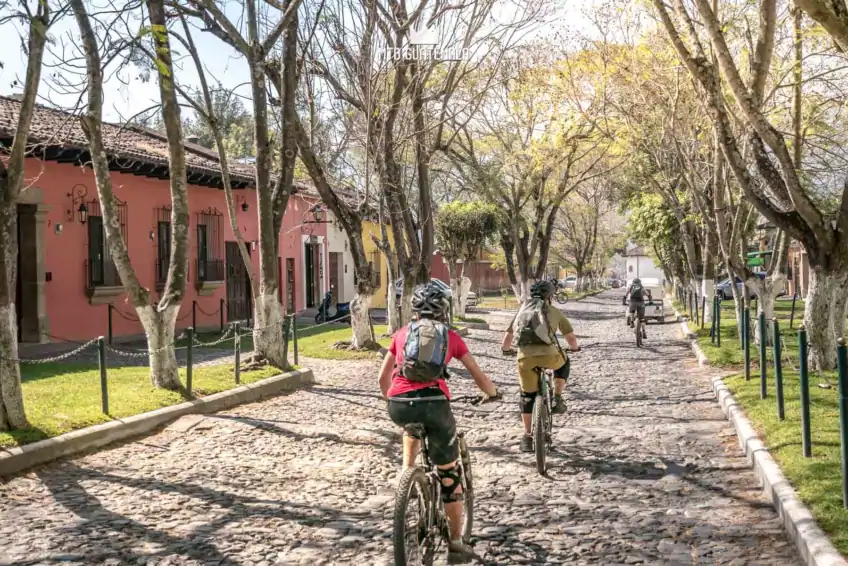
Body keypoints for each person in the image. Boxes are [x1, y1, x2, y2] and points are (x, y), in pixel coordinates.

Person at [378, 281, 500, 564]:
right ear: (444, 309)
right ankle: (456, 544)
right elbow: (478, 375)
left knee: (411, 425)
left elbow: (382, 379)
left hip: (399, 404)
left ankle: (407, 473)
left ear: (414, 310)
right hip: (435, 405)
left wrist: (392, 401)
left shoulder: (400, 334)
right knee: (449, 474)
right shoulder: (451, 337)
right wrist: (492, 393)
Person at [500, 280, 580, 453]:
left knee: (526, 396)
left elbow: (507, 337)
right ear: (550, 297)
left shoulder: (521, 312)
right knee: (564, 362)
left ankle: (527, 437)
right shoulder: (554, 312)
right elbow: (571, 338)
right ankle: (557, 398)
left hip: (525, 360)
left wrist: (506, 350)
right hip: (550, 357)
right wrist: (575, 349)